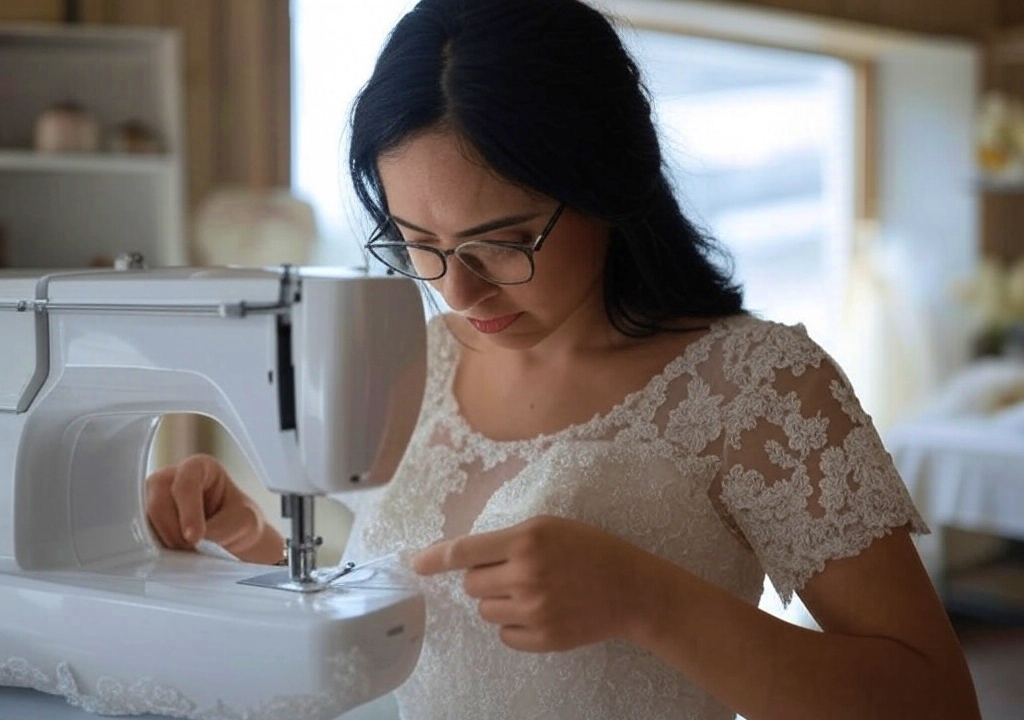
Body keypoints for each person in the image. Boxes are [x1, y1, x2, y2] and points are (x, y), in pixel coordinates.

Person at [145, 0, 983, 718]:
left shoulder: (760, 388)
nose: (461, 294)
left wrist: (653, 602)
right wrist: (250, 550)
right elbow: (412, 631)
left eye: (503, 242)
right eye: (418, 245)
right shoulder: (418, 360)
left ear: (610, 182)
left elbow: (939, 702)